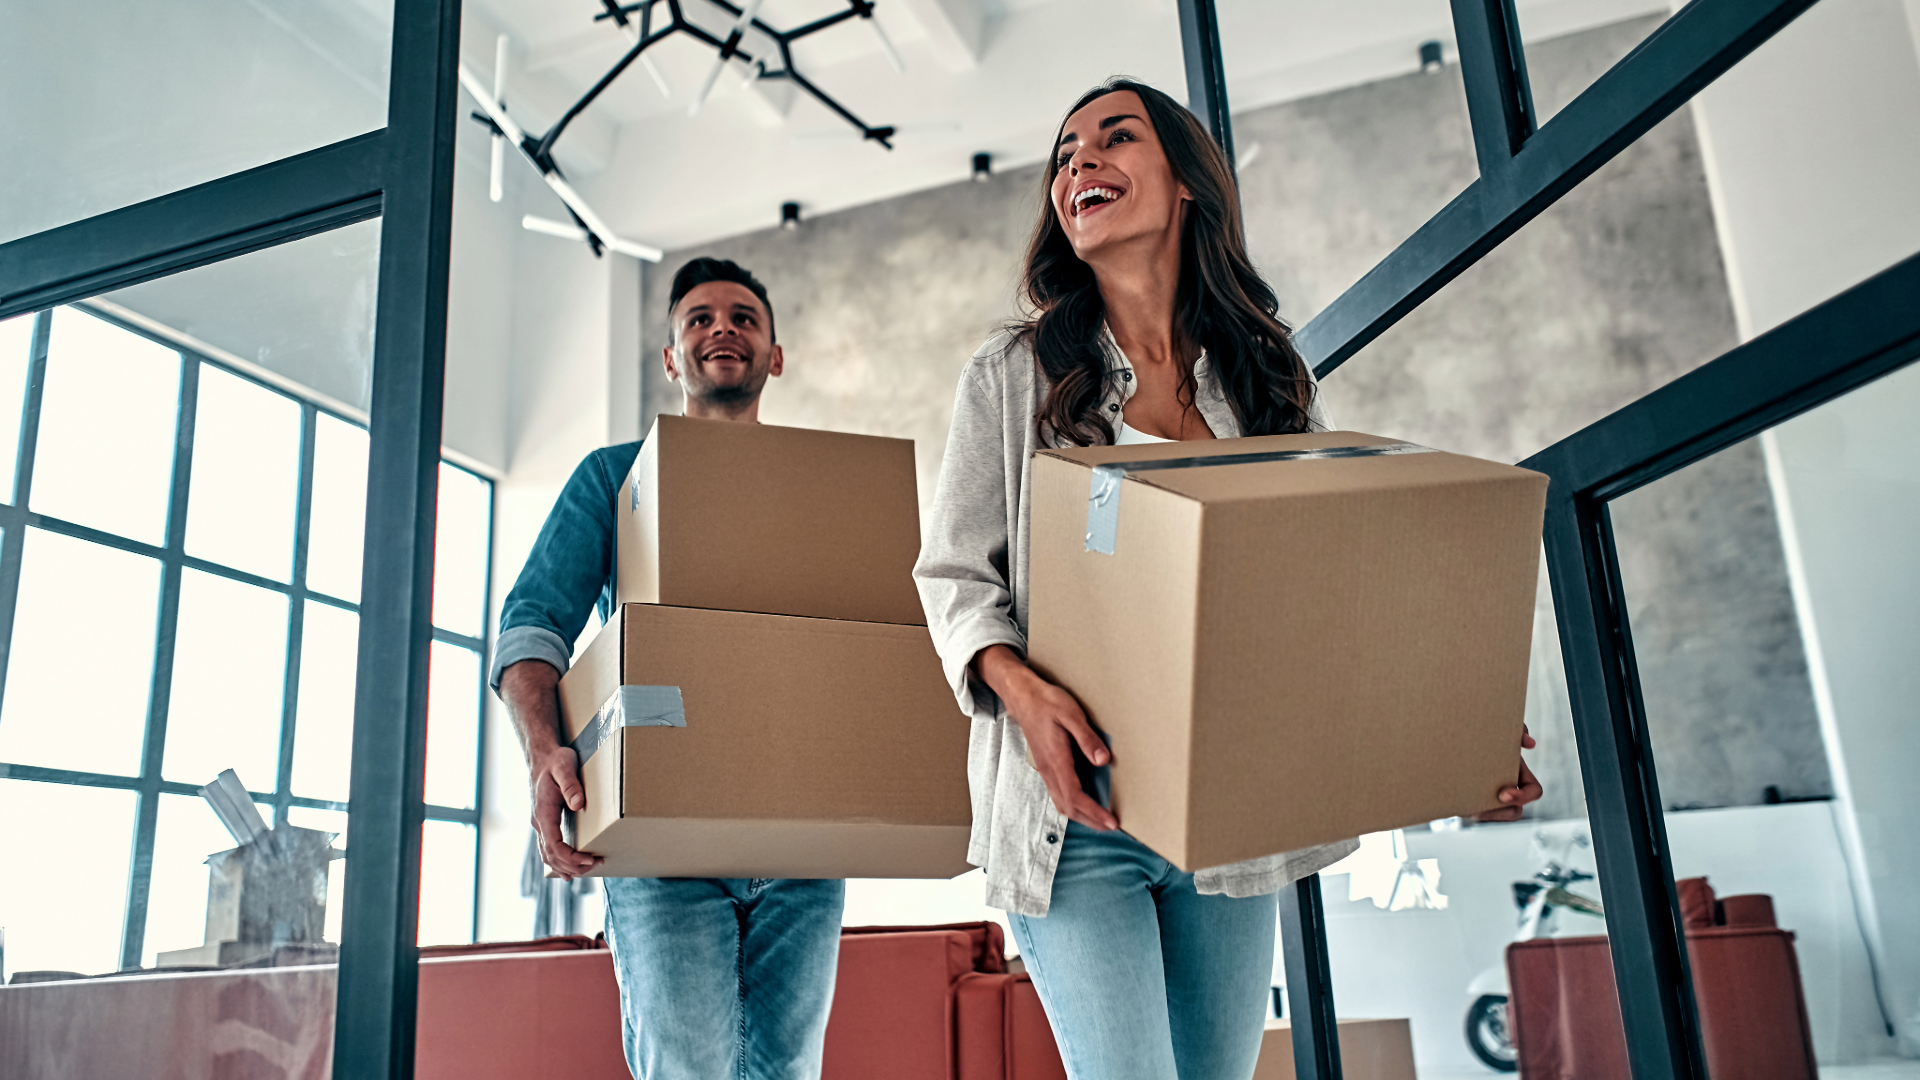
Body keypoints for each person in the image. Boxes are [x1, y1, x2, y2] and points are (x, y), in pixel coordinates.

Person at [913, 78, 1545, 1080]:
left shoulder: (1268, 381)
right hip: (1076, 816)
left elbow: (1323, 594)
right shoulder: (1013, 373)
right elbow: (953, 573)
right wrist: (1020, 691)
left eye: (1115, 140)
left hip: (1228, 826)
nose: (1080, 164)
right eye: (1066, 154)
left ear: (1188, 185)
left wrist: (1445, 720)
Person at [491, 257, 845, 1080]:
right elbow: (531, 626)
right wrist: (546, 753)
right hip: (663, 832)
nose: (723, 329)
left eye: (744, 318)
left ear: (776, 355)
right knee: (688, 1067)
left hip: (802, 833)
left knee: (787, 1072)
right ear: (671, 359)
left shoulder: (824, 488)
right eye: (699, 319)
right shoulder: (612, 479)